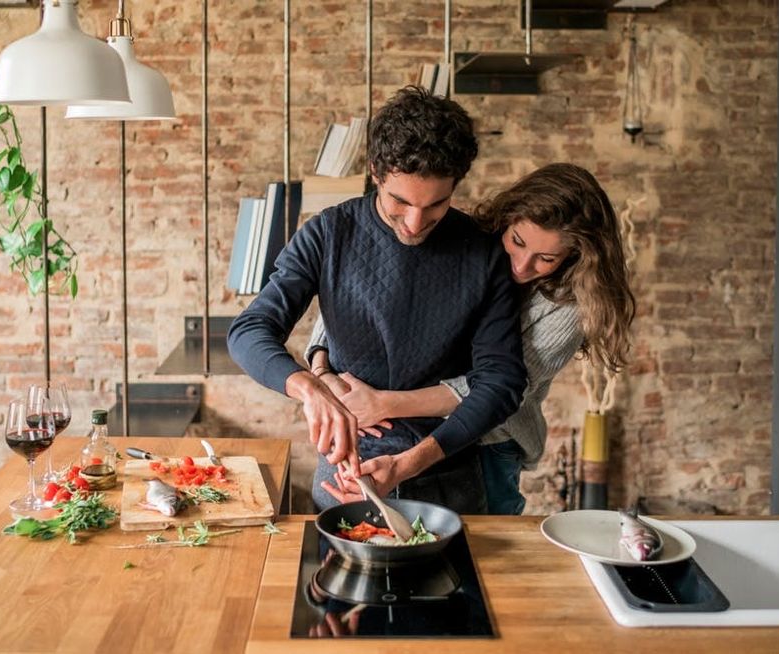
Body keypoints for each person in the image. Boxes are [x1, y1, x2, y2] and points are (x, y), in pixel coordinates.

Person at [227, 86, 527, 515]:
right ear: (376, 172)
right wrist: (310, 388)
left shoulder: (483, 252)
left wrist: (409, 464)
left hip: (449, 469)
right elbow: (249, 331)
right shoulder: (329, 233)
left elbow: (501, 382)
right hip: (347, 470)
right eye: (399, 202)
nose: (415, 222)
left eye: (436, 204)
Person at [308, 163, 635, 514]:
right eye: (517, 241)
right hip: (399, 426)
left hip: (489, 444)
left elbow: (495, 389)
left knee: (479, 550)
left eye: (546, 258)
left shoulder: (569, 310)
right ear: (507, 220)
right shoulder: (467, 246)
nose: (522, 265)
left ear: (576, 257)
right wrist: (321, 369)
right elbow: (356, 299)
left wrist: (384, 403)